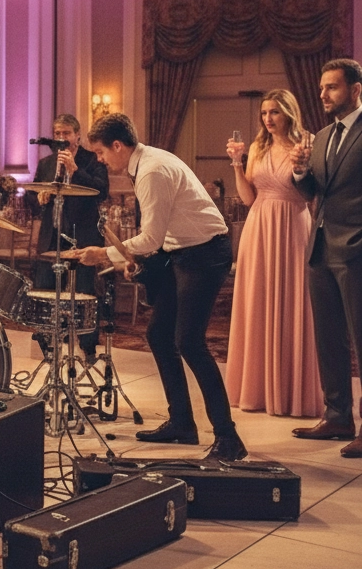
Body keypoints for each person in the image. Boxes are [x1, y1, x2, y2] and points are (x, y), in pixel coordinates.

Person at [74, 113, 247, 461]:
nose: (99, 159)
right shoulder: (147, 161)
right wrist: (137, 261)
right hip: (182, 251)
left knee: (189, 342)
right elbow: (161, 237)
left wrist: (105, 253)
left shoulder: (151, 170)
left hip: (205, 253)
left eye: (101, 152)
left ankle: (228, 438)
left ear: (118, 146)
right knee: (159, 334)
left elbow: (151, 237)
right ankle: (182, 421)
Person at [225, 90, 323, 417]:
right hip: (259, 227)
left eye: (275, 112)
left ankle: (291, 392)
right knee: (257, 302)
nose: (268, 119)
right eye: (264, 113)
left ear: (289, 114)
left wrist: (302, 167)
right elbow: (249, 198)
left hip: (293, 224)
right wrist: (237, 165)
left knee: (294, 302)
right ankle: (255, 389)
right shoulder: (257, 147)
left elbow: (311, 193)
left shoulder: (306, 144)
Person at [290, 58, 362, 457]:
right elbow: (312, 191)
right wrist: (300, 173)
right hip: (320, 247)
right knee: (328, 338)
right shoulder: (319, 136)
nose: (323, 95)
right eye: (321, 88)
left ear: (355, 90)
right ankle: (337, 415)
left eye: (332, 87)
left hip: (357, 250)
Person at [24, 114, 108, 364]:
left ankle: (88, 347)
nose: (61, 138)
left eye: (66, 134)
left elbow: (101, 192)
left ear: (77, 135)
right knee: (45, 290)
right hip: (51, 236)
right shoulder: (46, 162)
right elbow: (32, 194)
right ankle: (49, 343)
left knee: (83, 292)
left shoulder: (92, 159)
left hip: (81, 237)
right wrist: (39, 198)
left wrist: (75, 170)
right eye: (57, 133)